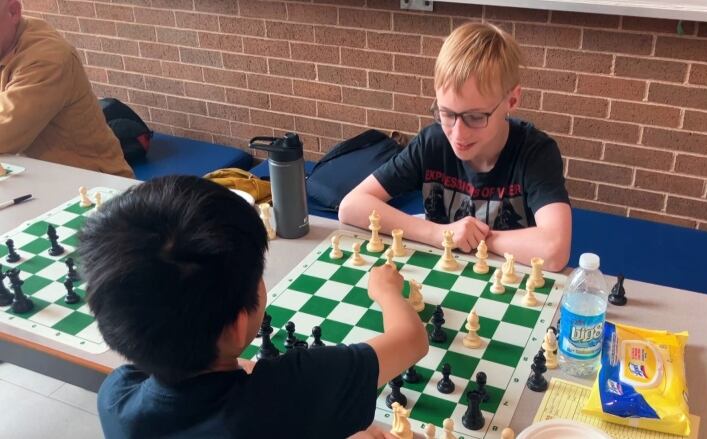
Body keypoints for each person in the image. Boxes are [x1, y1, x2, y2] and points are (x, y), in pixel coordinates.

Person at [78, 176, 428, 438]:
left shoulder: (116, 399)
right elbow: (411, 339)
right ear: (238, 324)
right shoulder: (291, 391)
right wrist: (385, 291)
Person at [339, 23, 571, 271]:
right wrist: (440, 234)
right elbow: (351, 207)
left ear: (511, 100)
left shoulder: (536, 153)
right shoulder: (433, 142)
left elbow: (555, 249)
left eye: (475, 117)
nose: (458, 134)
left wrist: (475, 238)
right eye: (447, 113)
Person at [0, 0, 133, 177]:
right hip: (35, 175)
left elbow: (5, 133)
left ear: (13, 11)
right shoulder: (7, 38)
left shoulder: (47, 57)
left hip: (92, 184)